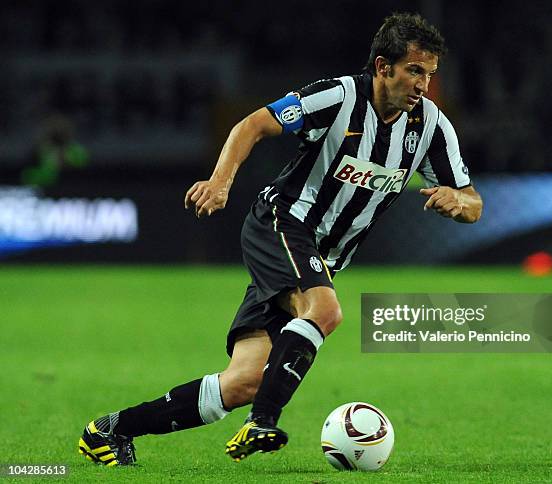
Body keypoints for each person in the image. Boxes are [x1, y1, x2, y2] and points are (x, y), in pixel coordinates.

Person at [78, 12, 482, 466]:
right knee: (325, 310)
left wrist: (459, 203)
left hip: (318, 256)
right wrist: (220, 182)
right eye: (414, 71)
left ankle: (111, 431)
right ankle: (264, 421)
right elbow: (252, 125)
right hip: (283, 221)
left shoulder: (430, 127)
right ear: (384, 67)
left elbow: (472, 202)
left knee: (242, 383)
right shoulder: (339, 96)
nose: (423, 84)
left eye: (430, 74)